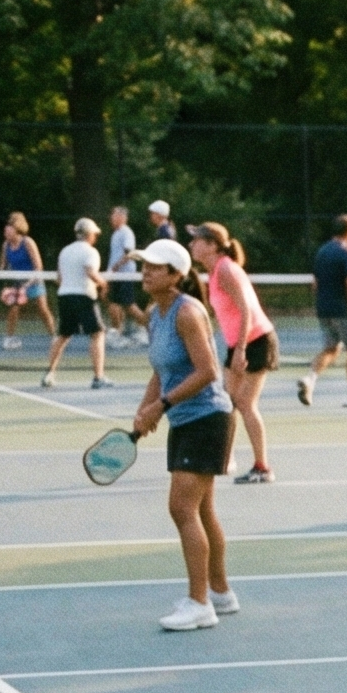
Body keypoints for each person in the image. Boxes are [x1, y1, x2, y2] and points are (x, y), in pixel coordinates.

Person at [131, 239, 237, 632]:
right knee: (202, 510)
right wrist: (147, 408)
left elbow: (208, 371)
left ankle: (199, 604)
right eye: (144, 265)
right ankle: (222, 594)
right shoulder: (155, 314)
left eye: (155, 267)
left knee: (182, 509)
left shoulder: (187, 312)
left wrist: (162, 406)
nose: (147, 272)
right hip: (186, 418)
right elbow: (161, 369)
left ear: (176, 275)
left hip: (208, 418)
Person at [190, 224, 278, 485]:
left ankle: (263, 467)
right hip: (239, 343)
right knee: (227, 401)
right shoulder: (215, 271)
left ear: (212, 245)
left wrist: (240, 349)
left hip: (257, 341)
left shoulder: (227, 269)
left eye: (197, 240)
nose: (192, 244)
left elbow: (247, 310)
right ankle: (225, 457)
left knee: (245, 402)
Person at [301, 215, 347, 408]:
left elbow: (315, 284)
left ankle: (309, 380)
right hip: (343, 310)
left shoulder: (321, 251)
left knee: (331, 349)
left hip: (323, 309)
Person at [41, 217, 109, 389]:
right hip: (84, 296)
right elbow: (90, 271)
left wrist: (70, 285)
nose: (95, 237)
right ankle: (98, 377)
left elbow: (59, 278)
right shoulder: (91, 252)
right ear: (89, 234)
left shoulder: (65, 251)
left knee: (63, 335)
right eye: (94, 234)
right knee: (97, 334)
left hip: (64, 296)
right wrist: (103, 284)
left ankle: (49, 373)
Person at [0, 213, 50, 350]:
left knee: (42, 309)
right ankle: (9, 339)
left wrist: (27, 285)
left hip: (34, 280)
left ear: (17, 229)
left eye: (9, 228)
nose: (6, 230)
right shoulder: (6, 245)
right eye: (6, 228)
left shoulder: (28, 242)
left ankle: (54, 337)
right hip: (17, 283)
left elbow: (39, 267)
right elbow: (3, 267)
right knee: (14, 308)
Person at [103, 205, 142, 343]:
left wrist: (115, 267)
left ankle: (146, 328)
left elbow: (129, 254)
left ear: (122, 217)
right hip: (116, 274)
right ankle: (117, 332)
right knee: (114, 302)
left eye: (113, 215)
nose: (111, 218)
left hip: (125, 274)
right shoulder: (116, 233)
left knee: (128, 304)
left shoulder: (126, 232)